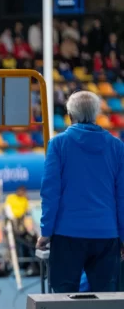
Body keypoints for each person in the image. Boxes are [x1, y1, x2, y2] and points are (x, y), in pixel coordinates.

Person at [38, 90, 124, 293]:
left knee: (64, 299)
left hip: (67, 235)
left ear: (70, 115)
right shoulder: (117, 147)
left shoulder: (58, 144)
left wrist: (46, 232)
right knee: (106, 301)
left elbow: (50, 192)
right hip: (106, 235)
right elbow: (121, 196)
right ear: (96, 114)